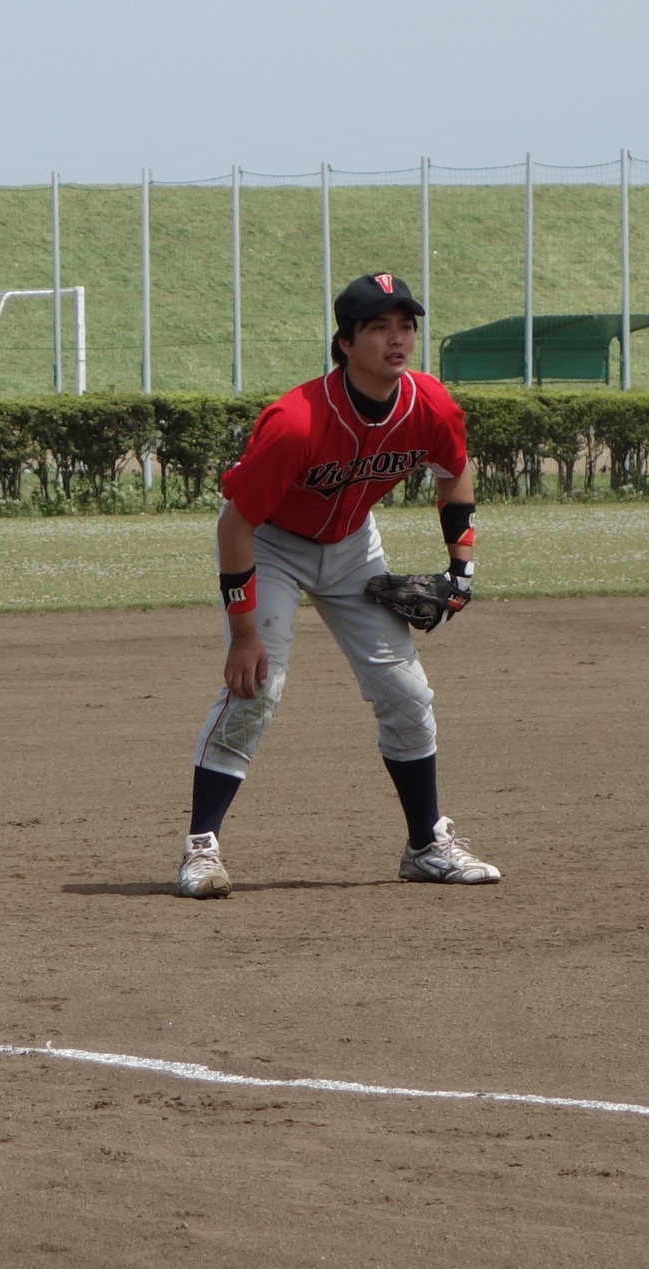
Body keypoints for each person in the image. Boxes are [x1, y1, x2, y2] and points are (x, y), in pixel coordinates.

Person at [177, 272, 500, 898]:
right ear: (345, 343)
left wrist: (461, 569)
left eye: (405, 325)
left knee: (406, 692)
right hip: (270, 544)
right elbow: (235, 525)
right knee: (256, 689)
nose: (396, 338)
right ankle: (201, 848)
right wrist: (243, 636)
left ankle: (426, 845)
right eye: (377, 327)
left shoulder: (430, 404)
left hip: (353, 546)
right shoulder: (296, 422)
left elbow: (454, 471)